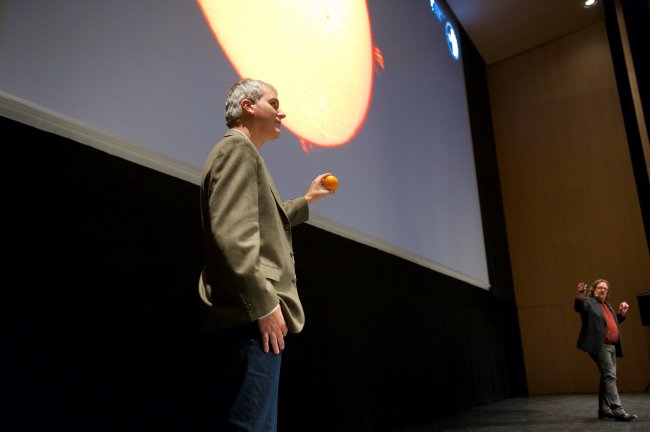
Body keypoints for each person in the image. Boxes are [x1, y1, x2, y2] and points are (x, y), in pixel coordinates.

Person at [197, 78, 334, 431]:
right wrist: (265, 305)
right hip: (249, 318)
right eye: (274, 103)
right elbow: (233, 238)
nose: (281, 113)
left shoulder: (242, 154)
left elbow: (267, 220)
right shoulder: (237, 150)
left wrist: (308, 199)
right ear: (248, 106)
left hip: (247, 317)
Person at [574, 279, 637, 422]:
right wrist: (580, 294)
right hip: (599, 345)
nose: (602, 290)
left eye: (605, 288)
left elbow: (611, 323)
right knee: (610, 376)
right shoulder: (588, 302)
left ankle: (604, 410)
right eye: (599, 287)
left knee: (606, 376)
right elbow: (578, 307)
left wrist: (621, 314)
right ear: (594, 290)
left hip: (612, 345)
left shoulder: (607, 305)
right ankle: (618, 410)